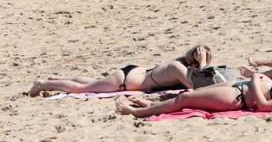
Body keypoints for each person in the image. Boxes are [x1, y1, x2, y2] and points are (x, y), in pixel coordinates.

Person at [116, 72, 272, 117]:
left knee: (185, 100)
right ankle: (150, 103)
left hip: (239, 98)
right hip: (240, 85)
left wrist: (255, 81)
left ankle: (138, 112)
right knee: (191, 93)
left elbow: (263, 107)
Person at [29, 45, 212, 97]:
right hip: (128, 81)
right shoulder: (178, 68)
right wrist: (203, 63)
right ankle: (44, 84)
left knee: (93, 82)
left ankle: (59, 78)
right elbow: (198, 86)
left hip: (135, 73)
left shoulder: (178, 64)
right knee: (82, 89)